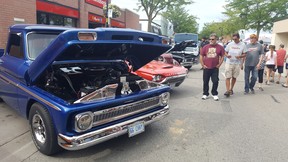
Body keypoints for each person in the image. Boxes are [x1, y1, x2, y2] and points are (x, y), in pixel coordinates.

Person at [200, 33, 225, 101]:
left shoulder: (220, 47)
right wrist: (202, 65)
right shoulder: (205, 47)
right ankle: (205, 93)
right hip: (206, 67)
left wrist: (219, 64)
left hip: (215, 68)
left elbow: (222, 56)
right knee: (205, 81)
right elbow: (201, 55)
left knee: (215, 81)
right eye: (210, 39)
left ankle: (214, 93)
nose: (211, 40)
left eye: (213, 39)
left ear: (216, 39)